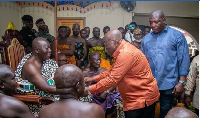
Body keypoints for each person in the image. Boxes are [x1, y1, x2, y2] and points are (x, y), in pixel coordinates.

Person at [84, 30, 160, 118]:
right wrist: (92, 79)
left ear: (115, 42)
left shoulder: (125, 53)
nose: (105, 48)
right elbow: (111, 71)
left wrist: (89, 90)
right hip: (135, 97)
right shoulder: (121, 51)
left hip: (141, 99)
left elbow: (112, 79)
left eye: (106, 44)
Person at [141, 10, 190, 118]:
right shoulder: (146, 39)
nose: (153, 25)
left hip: (168, 83)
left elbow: (184, 59)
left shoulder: (177, 36)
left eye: (156, 22)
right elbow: (142, 62)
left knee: (166, 112)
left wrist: (181, 82)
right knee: (148, 113)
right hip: (150, 83)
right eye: (151, 22)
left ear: (164, 20)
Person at [38, 64, 105, 118]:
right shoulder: (94, 110)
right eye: (83, 82)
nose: (85, 84)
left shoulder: (44, 112)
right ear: (78, 86)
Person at [15, 37, 58, 115]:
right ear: (37, 50)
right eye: (47, 48)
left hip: (49, 95)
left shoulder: (44, 61)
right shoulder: (30, 66)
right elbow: (46, 88)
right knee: (75, 101)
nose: (50, 51)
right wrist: (71, 90)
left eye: (50, 48)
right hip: (38, 102)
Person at [80, 52, 121, 117]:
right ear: (90, 61)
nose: (99, 62)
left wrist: (106, 92)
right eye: (96, 60)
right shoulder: (84, 73)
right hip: (91, 95)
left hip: (104, 94)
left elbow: (114, 82)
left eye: (99, 60)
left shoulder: (103, 70)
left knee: (113, 99)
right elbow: (82, 87)